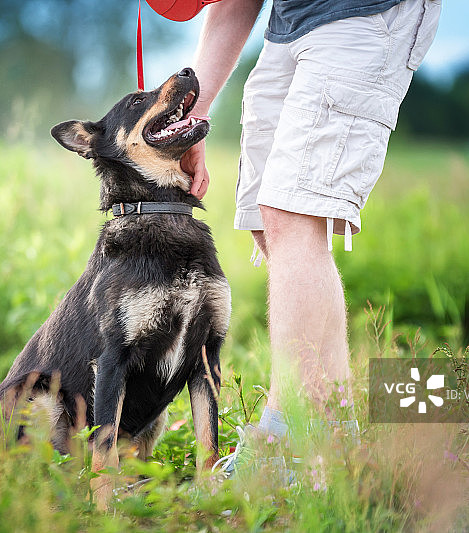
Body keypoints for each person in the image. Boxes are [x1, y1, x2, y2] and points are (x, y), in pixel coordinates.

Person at [180, 0, 441, 466]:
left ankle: (285, 438)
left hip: (362, 16)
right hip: (290, 25)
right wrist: (191, 119)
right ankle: (337, 443)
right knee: (269, 222)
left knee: (290, 212)